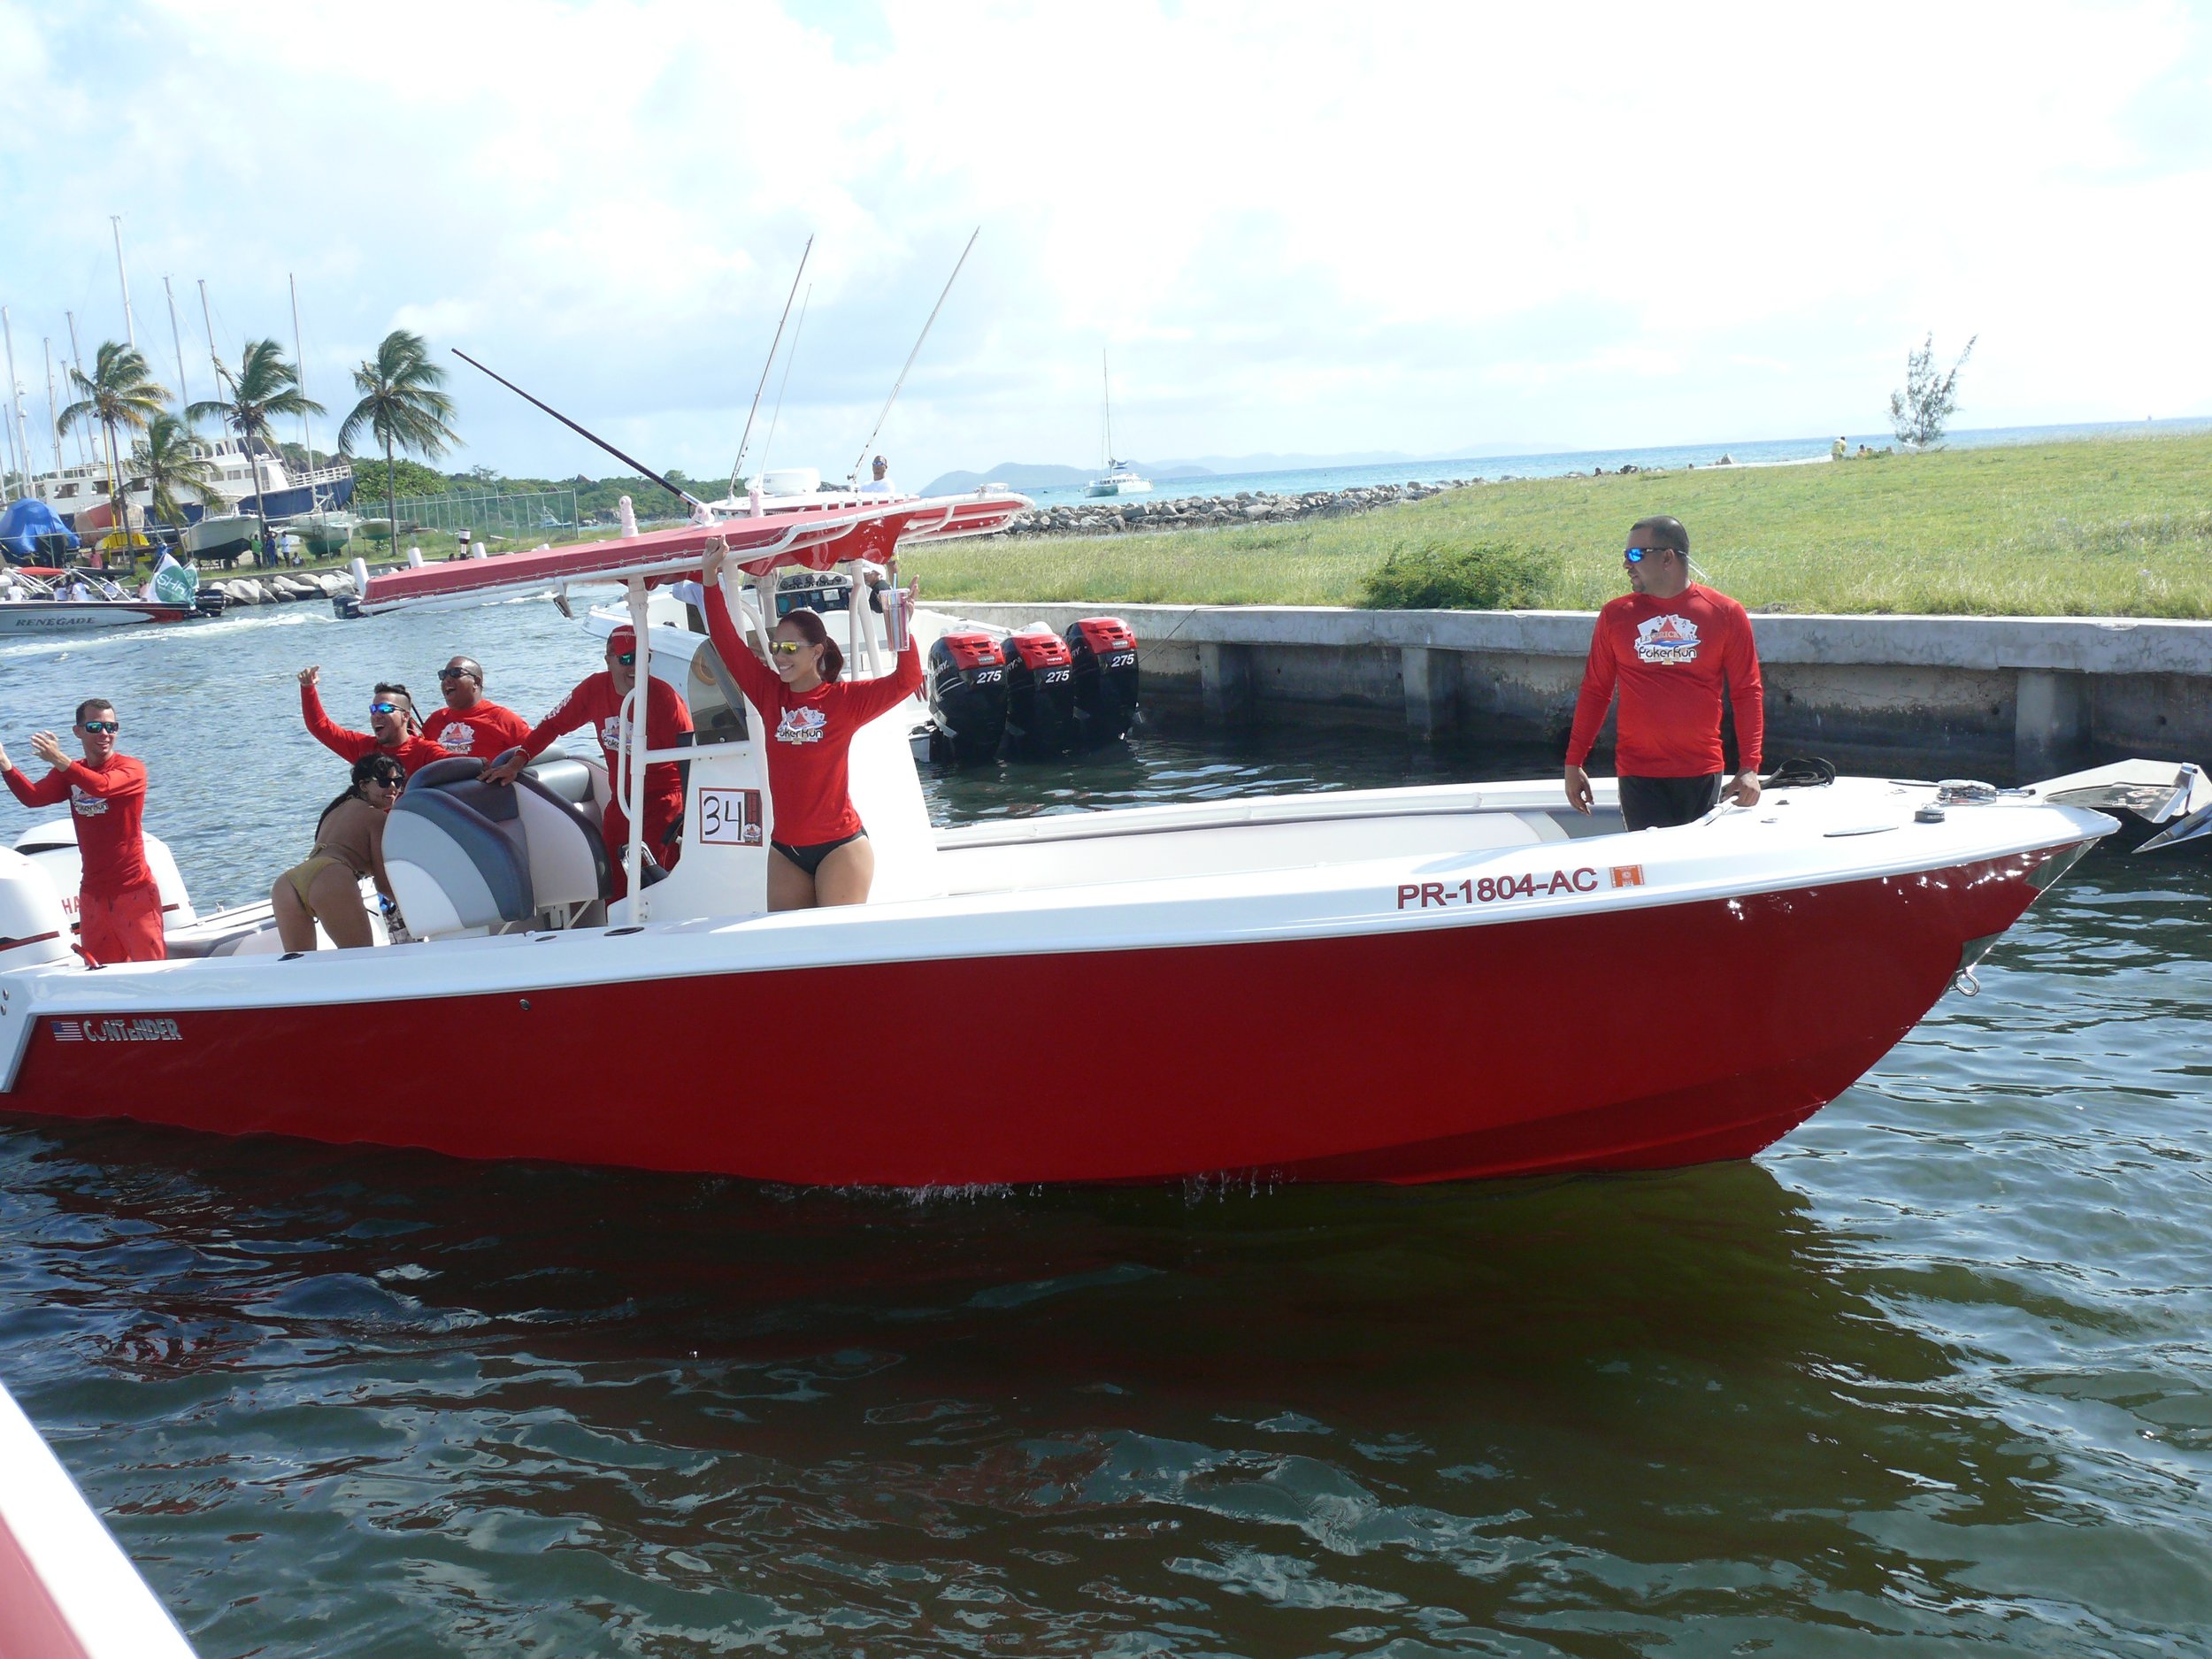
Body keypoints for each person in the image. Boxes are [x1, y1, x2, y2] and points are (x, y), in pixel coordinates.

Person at [700, 534, 921, 910]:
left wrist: (901, 623)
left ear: (817, 652)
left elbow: (907, 679)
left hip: (841, 846)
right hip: (786, 849)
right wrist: (710, 578)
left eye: (790, 648)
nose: (780, 657)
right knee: (787, 942)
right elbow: (726, 643)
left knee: (837, 943)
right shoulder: (768, 693)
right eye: (776, 647)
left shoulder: (843, 701)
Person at [1564, 515, 1764, 832]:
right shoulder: (1615, 615)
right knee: (1646, 859)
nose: (1626, 564)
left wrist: (1750, 766)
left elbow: (1746, 692)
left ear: (1667, 558)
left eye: (1635, 554)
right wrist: (1574, 762)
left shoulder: (1726, 613)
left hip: (1701, 772)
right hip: (1637, 775)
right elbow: (1596, 691)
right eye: (1625, 555)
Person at [482, 626, 693, 896]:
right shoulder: (594, 689)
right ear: (609, 660)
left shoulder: (665, 698)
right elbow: (553, 724)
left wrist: (691, 813)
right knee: (616, 882)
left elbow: (689, 756)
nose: (636, 667)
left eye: (644, 658)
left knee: (658, 883)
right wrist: (516, 762)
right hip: (623, 801)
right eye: (627, 659)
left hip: (665, 800)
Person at [0, 699, 166, 964]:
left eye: (111, 727)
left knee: (152, 971)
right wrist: (5, 764)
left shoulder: (131, 769)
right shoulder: (71, 772)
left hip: (134, 892)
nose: (105, 733)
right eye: (95, 727)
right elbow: (33, 798)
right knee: (101, 974)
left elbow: (102, 786)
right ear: (78, 731)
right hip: (93, 895)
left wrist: (59, 759)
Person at [273, 752, 403, 950]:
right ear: (363, 786)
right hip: (331, 878)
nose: (393, 788)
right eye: (384, 782)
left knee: (300, 965)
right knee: (362, 960)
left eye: (398, 781)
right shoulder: (376, 817)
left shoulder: (336, 809)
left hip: (288, 882)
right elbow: (384, 884)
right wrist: (415, 909)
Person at [297, 667, 447, 777]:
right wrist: (307, 688)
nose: (376, 715)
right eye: (373, 709)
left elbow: (457, 764)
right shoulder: (364, 749)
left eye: (385, 709)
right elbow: (320, 727)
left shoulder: (426, 752)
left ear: (405, 716)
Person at [419, 657, 532, 760]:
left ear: (476, 682)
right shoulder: (435, 720)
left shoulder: (503, 719)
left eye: (455, 673)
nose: (447, 680)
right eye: (443, 675)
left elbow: (535, 751)